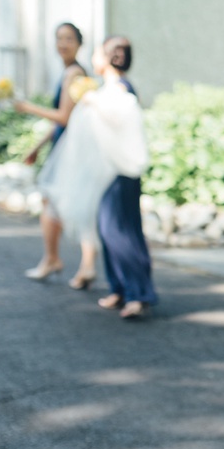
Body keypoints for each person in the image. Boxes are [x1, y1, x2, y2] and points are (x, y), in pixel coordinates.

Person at [17, 22, 99, 290]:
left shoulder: (73, 74)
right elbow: (65, 120)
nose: (62, 43)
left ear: (79, 43)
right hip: (66, 144)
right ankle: (68, 261)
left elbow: (64, 117)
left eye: (68, 39)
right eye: (59, 38)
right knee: (67, 201)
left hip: (71, 149)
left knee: (59, 201)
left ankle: (56, 259)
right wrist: (39, 145)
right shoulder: (74, 71)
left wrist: (29, 108)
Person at [88, 37, 157, 320]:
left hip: (121, 171)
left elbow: (117, 120)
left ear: (109, 58)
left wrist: (92, 101)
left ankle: (138, 294)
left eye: (96, 53)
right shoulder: (111, 88)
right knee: (109, 230)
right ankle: (119, 288)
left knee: (121, 231)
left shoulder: (119, 89)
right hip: (110, 170)